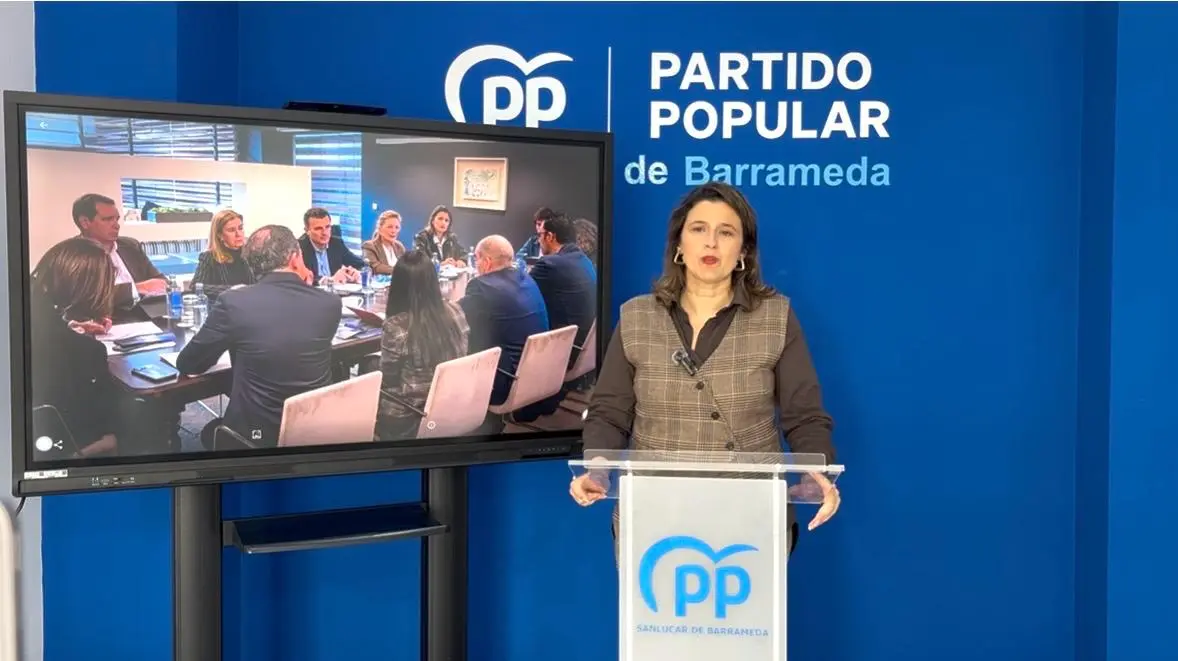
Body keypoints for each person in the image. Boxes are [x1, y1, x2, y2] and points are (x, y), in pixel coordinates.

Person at [571, 182, 841, 553]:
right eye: (699, 229)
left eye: (726, 232)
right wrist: (598, 469)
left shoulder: (777, 317)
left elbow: (804, 415)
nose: (711, 243)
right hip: (655, 519)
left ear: (743, 250)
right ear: (679, 245)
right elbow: (609, 413)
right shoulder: (636, 317)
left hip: (751, 519)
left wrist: (817, 473)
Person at [177, 225, 342, 449]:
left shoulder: (234, 302)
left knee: (210, 432)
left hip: (257, 436)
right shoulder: (330, 303)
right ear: (295, 258)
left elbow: (189, 364)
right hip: (314, 428)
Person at [28, 237, 121, 457]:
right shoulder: (86, 351)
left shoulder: (27, 302)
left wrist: (70, 325)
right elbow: (87, 415)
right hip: (61, 443)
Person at [375, 250, 469, 440]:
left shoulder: (396, 326)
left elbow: (389, 379)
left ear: (397, 285)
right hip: (451, 403)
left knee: (367, 372)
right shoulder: (455, 310)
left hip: (408, 414)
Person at [71, 193, 167, 323]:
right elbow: (86, 298)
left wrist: (160, 286)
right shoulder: (72, 255)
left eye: (116, 219)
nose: (116, 225)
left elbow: (159, 280)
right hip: (105, 322)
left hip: (147, 317)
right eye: (107, 219)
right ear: (85, 222)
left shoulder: (130, 245)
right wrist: (136, 289)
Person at [189, 209, 255, 301]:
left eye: (240, 228)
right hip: (226, 305)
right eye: (231, 230)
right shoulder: (209, 257)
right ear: (220, 235)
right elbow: (195, 286)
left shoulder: (251, 253)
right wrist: (231, 289)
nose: (238, 234)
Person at [298, 207, 365, 284]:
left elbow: (361, 264)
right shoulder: (299, 248)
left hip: (336, 290)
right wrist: (329, 280)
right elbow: (300, 277)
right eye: (318, 228)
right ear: (307, 231)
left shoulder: (336, 243)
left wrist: (355, 272)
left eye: (327, 227)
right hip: (312, 290)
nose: (324, 233)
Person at [361, 209, 408, 275]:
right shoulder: (369, 246)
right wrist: (401, 271)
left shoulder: (399, 246)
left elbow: (407, 266)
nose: (393, 231)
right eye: (390, 227)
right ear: (380, 229)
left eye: (397, 227)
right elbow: (376, 268)